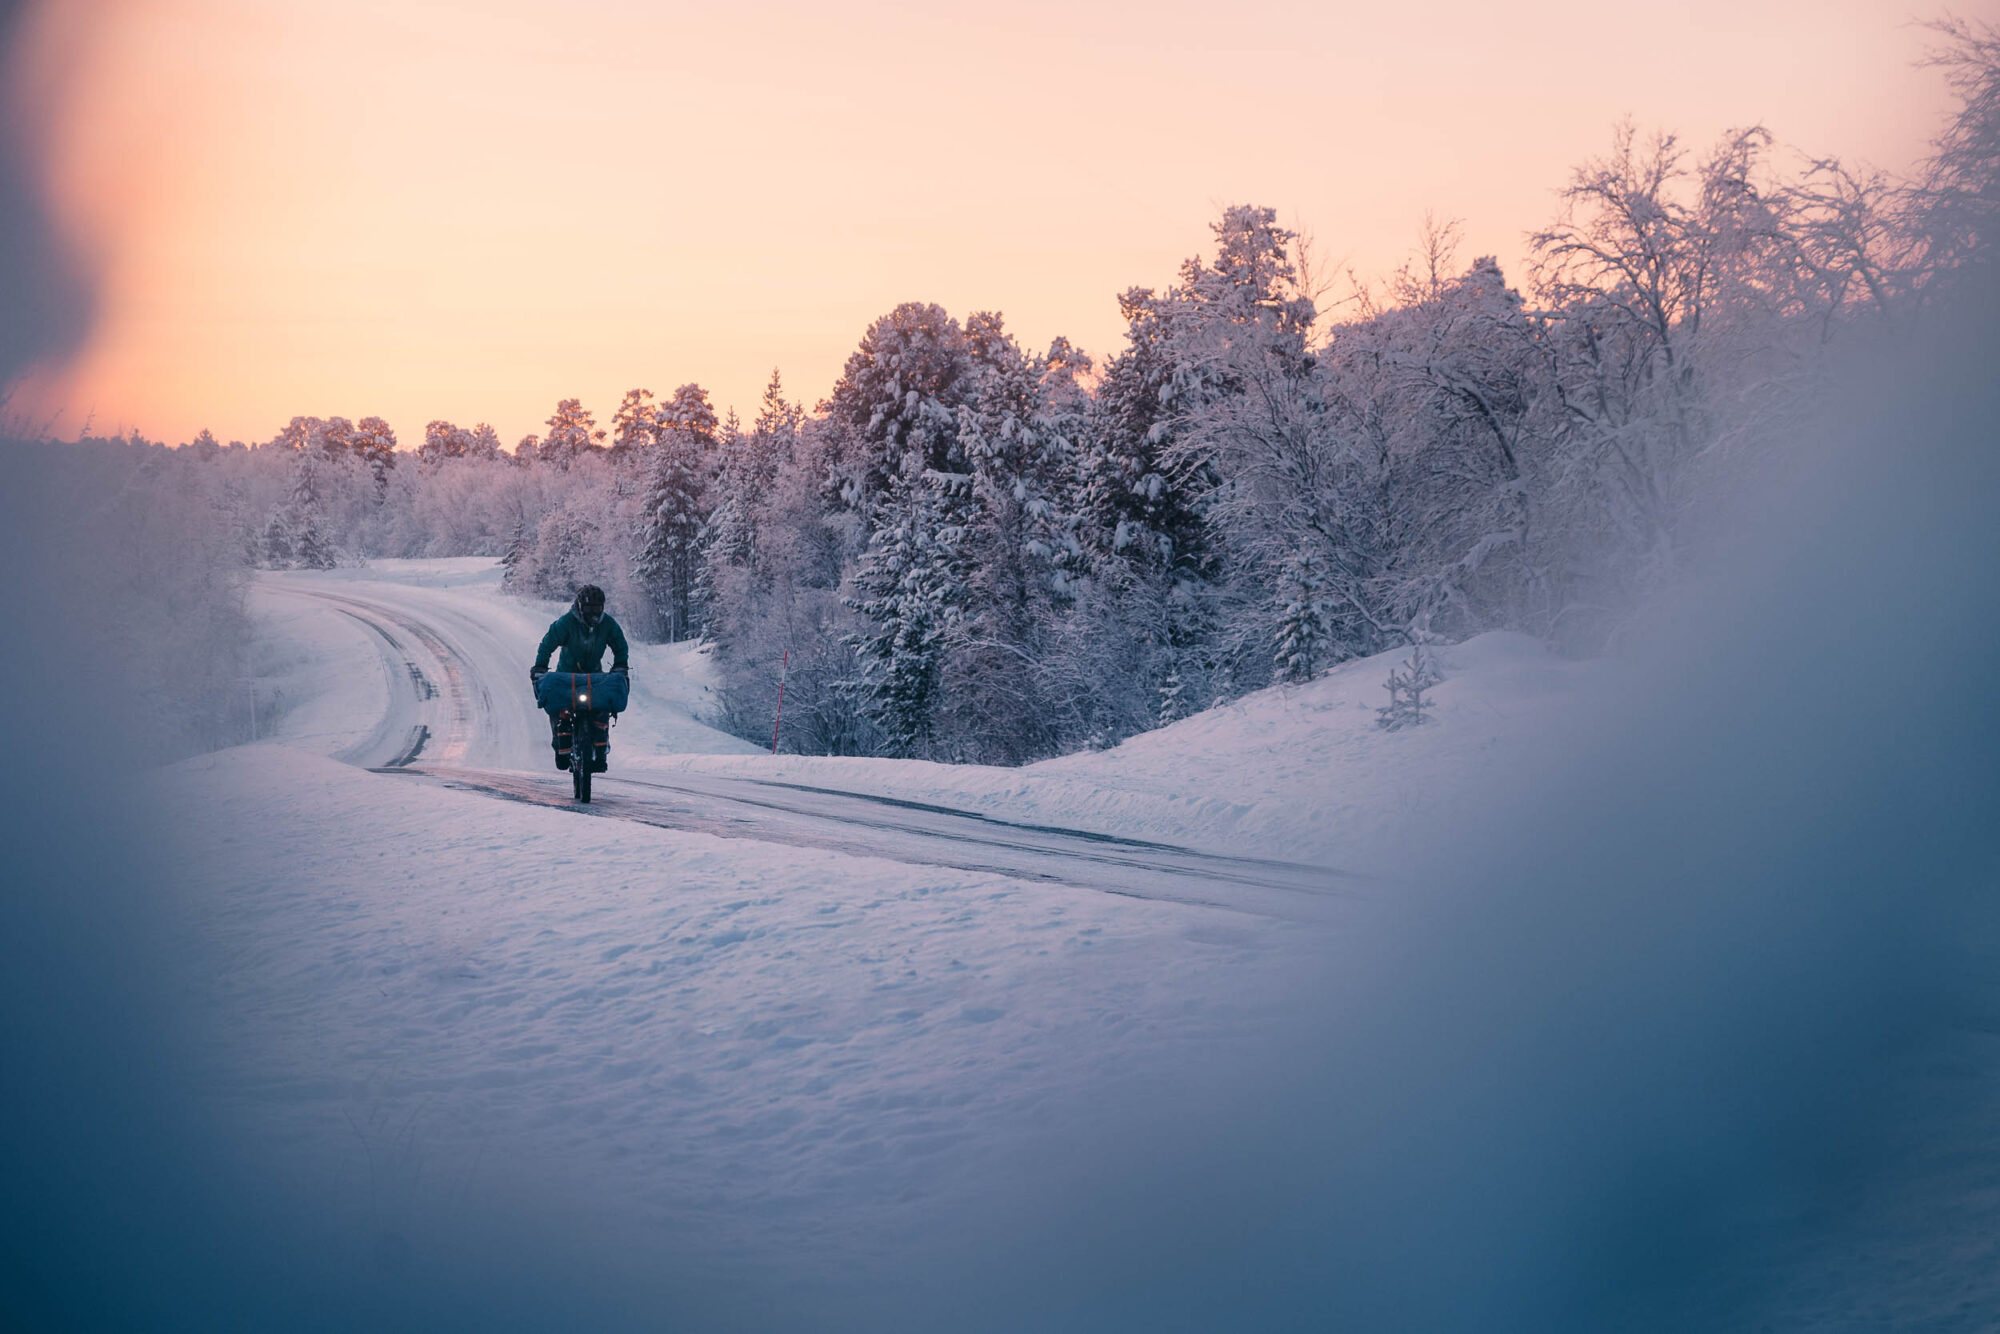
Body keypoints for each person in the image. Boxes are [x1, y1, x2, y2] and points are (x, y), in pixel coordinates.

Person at [530, 584, 629, 771]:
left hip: (594, 676)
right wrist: (540, 666)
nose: (593, 613)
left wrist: (620, 665)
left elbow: (620, 645)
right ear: (580, 606)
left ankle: (601, 749)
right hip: (566, 675)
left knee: (601, 710)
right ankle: (559, 745)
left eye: (597, 608)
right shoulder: (566, 622)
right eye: (589, 608)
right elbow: (547, 644)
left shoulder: (608, 624)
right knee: (558, 710)